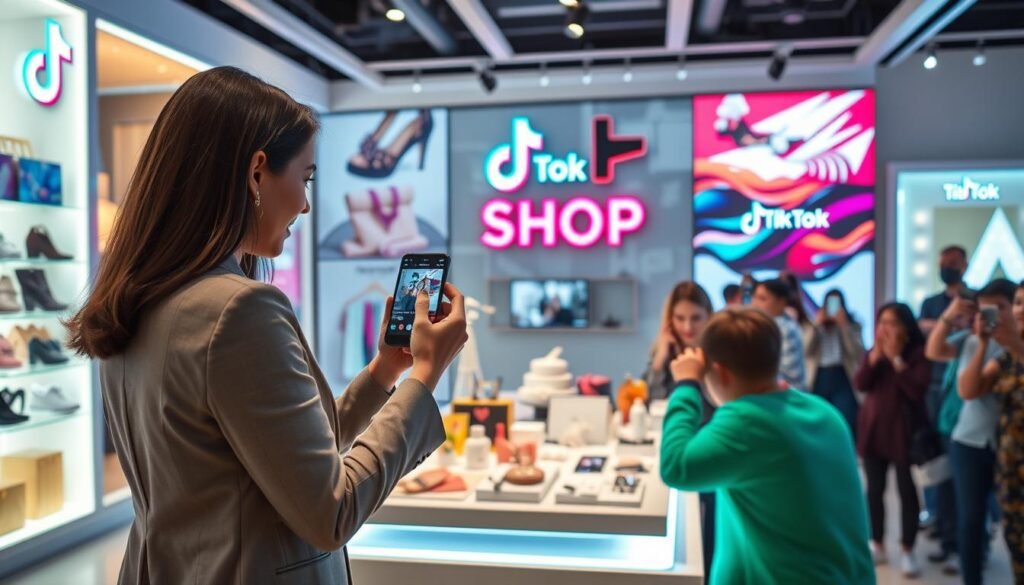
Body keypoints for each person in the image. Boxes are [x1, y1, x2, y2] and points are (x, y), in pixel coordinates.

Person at [65, 67, 469, 585]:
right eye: (305, 178)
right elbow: (330, 510)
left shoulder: (137, 299)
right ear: (257, 173)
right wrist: (426, 377)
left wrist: (384, 373)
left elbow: (281, 453)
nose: (305, 203)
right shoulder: (238, 311)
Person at [660, 308, 875, 585]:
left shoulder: (746, 422)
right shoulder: (825, 413)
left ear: (721, 373)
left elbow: (676, 467)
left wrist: (686, 384)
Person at [931, 279, 1014, 584]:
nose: (994, 316)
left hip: (1010, 445)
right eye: (986, 310)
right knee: (970, 516)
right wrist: (955, 318)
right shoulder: (972, 341)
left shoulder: (1015, 349)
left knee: (1011, 520)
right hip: (970, 439)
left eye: (1001, 308)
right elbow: (963, 385)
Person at [641, 281, 717, 577]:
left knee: (709, 537)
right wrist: (660, 359)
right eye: (680, 318)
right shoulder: (665, 350)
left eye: (696, 318)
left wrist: (694, 376)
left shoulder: (718, 354)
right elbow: (648, 400)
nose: (687, 326)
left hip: (707, 449)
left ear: (708, 316)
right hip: (670, 445)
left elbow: (719, 404)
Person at [854, 303, 931, 578]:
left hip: (904, 433)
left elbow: (916, 390)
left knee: (907, 492)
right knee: (874, 491)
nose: (885, 329)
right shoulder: (873, 352)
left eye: (892, 322)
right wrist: (876, 358)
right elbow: (860, 384)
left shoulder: (918, 354)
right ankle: (877, 543)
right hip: (874, 430)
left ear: (906, 328)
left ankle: (908, 548)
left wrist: (897, 359)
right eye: (882, 322)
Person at [958, 279, 1024, 584]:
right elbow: (969, 390)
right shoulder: (1005, 357)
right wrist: (984, 343)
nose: (1020, 311)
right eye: (1019, 303)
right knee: (1017, 549)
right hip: (1011, 474)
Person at [805, 289, 865, 436]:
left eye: (836, 304)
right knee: (819, 418)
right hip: (820, 375)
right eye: (830, 304)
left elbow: (857, 353)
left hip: (842, 374)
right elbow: (805, 350)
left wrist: (844, 327)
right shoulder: (813, 324)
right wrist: (817, 325)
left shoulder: (853, 325)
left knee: (846, 417)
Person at [751, 279, 806, 389]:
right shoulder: (767, 325)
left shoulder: (784, 329)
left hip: (784, 395)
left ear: (781, 302)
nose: (755, 303)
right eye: (754, 297)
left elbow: (790, 374)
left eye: (762, 299)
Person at [919, 246, 972, 335]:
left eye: (952, 264)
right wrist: (954, 326)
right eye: (942, 265)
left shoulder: (977, 298)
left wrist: (937, 325)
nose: (946, 268)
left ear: (965, 266)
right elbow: (921, 326)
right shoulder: (930, 303)